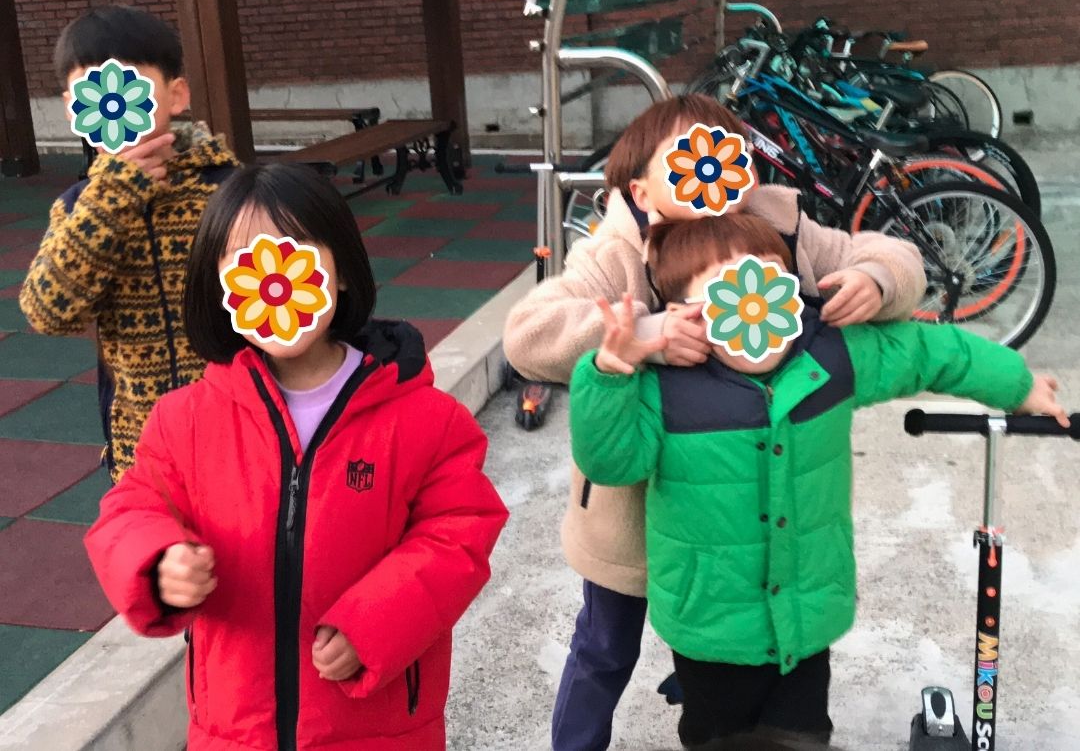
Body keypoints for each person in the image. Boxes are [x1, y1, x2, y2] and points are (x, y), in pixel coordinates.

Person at [502, 94, 928, 751]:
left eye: (725, 155)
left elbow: (890, 254)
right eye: (686, 158)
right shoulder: (614, 252)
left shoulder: (781, 230)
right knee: (605, 647)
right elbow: (530, 335)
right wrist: (639, 333)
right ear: (641, 187)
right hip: (631, 511)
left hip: (736, 516)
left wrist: (877, 277)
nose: (710, 175)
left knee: (739, 654)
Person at [569, 213, 1067, 748]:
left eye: (763, 280)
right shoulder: (662, 386)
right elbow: (610, 462)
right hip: (709, 619)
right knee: (719, 737)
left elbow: (931, 354)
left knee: (800, 735)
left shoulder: (832, 355)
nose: (750, 304)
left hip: (805, 610)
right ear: (685, 316)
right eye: (725, 292)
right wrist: (610, 369)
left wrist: (1018, 385)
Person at [84, 163, 509, 751]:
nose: (273, 279)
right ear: (220, 290)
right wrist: (155, 563)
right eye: (247, 262)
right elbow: (129, 508)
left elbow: (460, 532)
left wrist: (377, 621)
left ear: (339, 274)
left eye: (293, 253)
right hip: (234, 728)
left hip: (376, 722)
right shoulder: (184, 421)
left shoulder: (422, 419)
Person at [20, 5, 239, 481]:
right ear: (73, 109)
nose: (113, 104)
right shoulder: (81, 206)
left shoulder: (227, 190)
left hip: (242, 428)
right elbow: (49, 311)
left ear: (176, 95)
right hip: (144, 442)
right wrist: (112, 197)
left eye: (128, 86)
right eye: (92, 92)